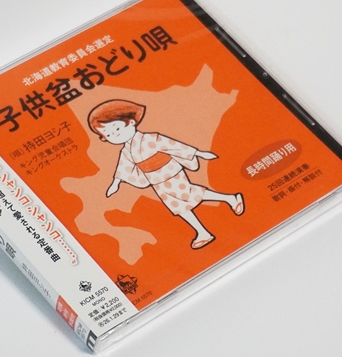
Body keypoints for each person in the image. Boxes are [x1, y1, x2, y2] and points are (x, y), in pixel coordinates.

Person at [87, 99, 245, 250]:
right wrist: (116, 183)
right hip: (155, 180)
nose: (115, 135)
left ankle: (228, 201)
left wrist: (199, 153)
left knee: (188, 194)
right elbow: (124, 167)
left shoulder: (150, 138)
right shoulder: (126, 151)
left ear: (131, 122)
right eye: (108, 135)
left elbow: (173, 146)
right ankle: (205, 230)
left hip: (169, 171)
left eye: (116, 129)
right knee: (177, 205)